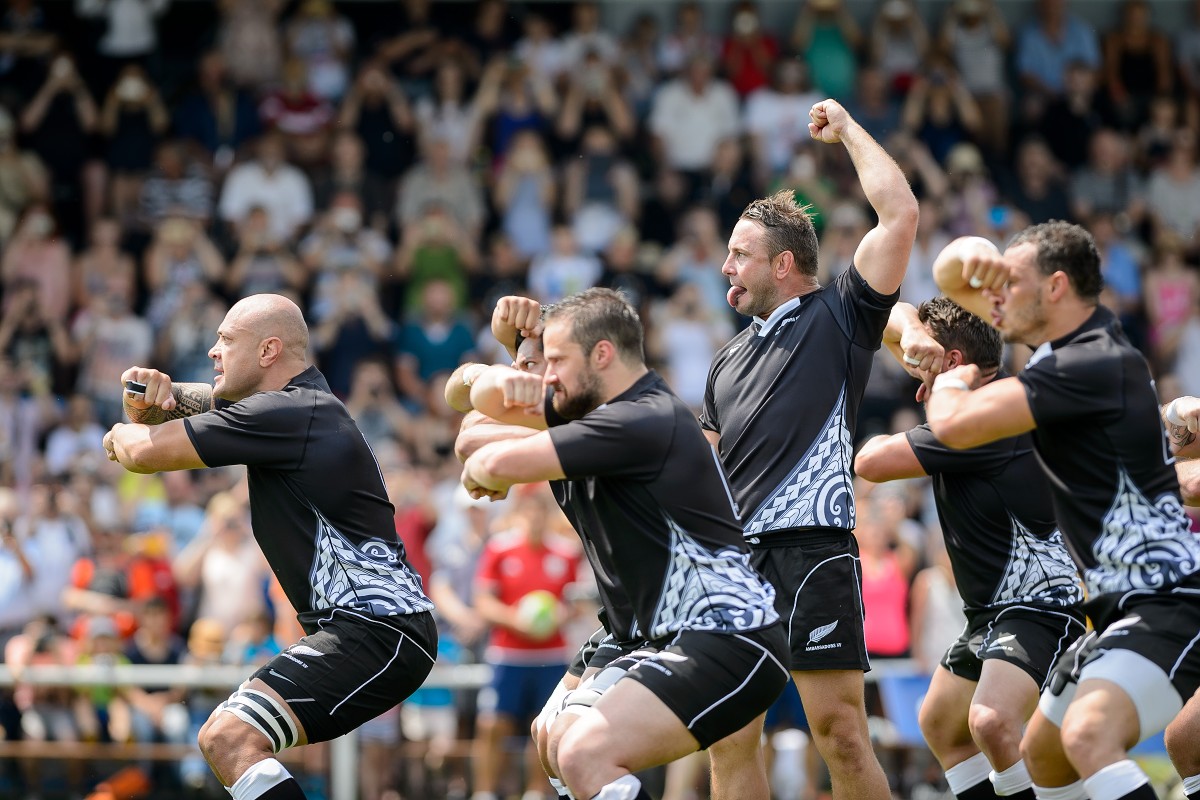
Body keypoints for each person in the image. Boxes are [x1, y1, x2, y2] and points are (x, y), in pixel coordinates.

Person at [101, 293, 437, 800]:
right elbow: (169, 411)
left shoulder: (290, 413)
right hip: (372, 630)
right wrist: (142, 402)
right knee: (230, 739)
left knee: (229, 737)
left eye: (226, 340)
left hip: (376, 630)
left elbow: (144, 453)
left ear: (268, 352)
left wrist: (123, 429)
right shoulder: (292, 409)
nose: (213, 351)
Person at [461, 287, 789, 800]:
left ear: (602, 355)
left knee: (583, 751)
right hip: (668, 632)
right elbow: (471, 433)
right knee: (557, 740)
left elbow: (491, 456)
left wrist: (492, 429)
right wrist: (505, 361)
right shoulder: (597, 414)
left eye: (556, 362)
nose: (545, 378)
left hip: (729, 635)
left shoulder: (639, 419)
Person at [927, 224, 1200, 800]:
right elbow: (951, 272)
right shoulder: (1074, 349)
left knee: (1089, 735)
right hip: (1119, 608)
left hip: (1169, 601)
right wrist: (974, 257)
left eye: (1012, 282)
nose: (998, 299)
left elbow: (951, 425)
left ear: (1053, 288)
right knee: (1046, 760)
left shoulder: (1086, 364)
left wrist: (952, 381)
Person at [700, 98, 921, 800]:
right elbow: (699, 470)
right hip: (735, 563)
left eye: (740, 253)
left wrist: (850, 129)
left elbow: (901, 217)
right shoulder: (724, 359)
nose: (725, 264)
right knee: (729, 737)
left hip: (815, 550)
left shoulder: (841, 314)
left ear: (785, 263)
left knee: (842, 737)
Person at [854, 296, 1086, 800]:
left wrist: (923, 359)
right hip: (994, 613)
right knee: (941, 724)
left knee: (990, 720)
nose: (915, 383)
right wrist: (915, 338)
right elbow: (895, 315)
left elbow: (870, 462)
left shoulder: (982, 418)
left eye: (925, 366)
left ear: (955, 364)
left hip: (1041, 607)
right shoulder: (988, 399)